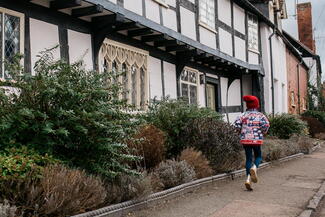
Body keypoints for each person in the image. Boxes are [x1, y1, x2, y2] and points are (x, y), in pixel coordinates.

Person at [234, 95, 270, 191]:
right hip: (256, 140)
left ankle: (248, 179)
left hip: (245, 140)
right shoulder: (261, 115)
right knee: (258, 156)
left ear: (247, 105)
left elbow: (237, 125)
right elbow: (266, 125)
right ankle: (254, 167)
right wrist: (263, 132)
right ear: (257, 105)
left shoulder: (242, 115)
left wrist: (240, 131)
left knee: (248, 158)